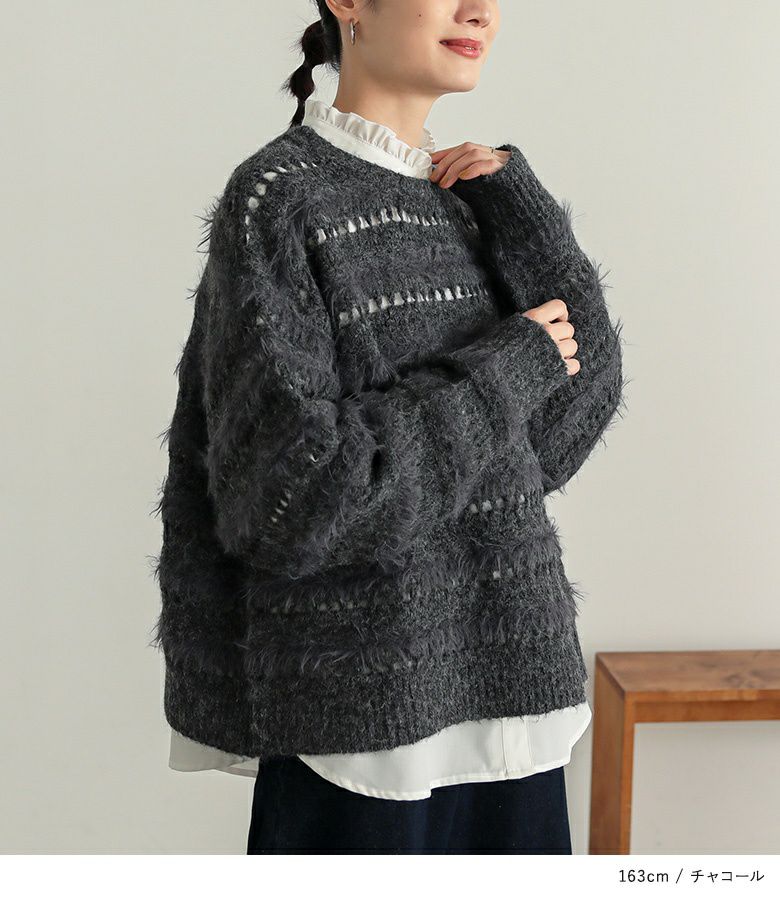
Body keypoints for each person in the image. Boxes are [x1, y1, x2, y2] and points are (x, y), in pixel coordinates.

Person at [152, 0, 626, 854]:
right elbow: (297, 498)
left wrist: (523, 211)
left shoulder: (470, 202)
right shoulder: (281, 198)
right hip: (367, 734)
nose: (481, 11)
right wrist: (506, 368)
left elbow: (560, 434)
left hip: (516, 700)